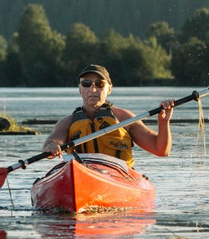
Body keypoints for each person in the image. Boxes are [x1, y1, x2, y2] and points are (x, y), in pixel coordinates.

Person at [41, 64, 175, 166]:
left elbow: (161, 150)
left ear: (109, 88)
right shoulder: (67, 123)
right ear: (80, 88)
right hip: (82, 173)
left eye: (99, 84)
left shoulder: (125, 119)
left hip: (118, 176)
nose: (92, 89)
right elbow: (53, 140)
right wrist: (51, 147)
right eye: (86, 84)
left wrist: (164, 123)